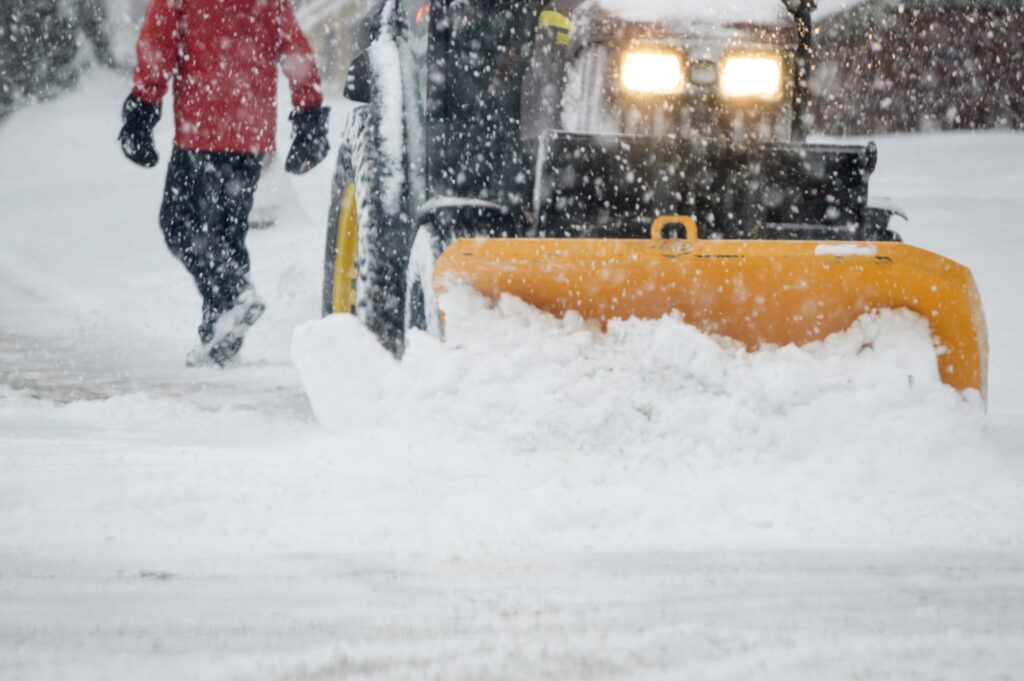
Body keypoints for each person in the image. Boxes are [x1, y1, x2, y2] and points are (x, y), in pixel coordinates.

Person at [118, 0, 329, 367]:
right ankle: (221, 343)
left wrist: (143, 108)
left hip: (201, 131)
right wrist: (308, 114)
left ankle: (234, 296)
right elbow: (296, 50)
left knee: (179, 224)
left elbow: (157, 44)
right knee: (226, 238)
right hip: (249, 135)